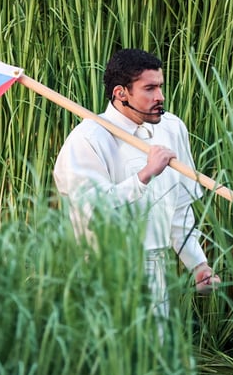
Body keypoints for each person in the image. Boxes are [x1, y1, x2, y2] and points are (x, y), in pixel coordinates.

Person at [53, 48, 220, 318]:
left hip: (157, 269)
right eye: (150, 89)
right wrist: (145, 175)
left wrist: (198, 265)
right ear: (121, 93)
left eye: (161, 87)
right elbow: (92, 211)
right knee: (112, 358)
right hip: (105, 269)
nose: (160, 97)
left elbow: (178, 209)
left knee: (156, 354)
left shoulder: (172, 128)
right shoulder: (88, 139)